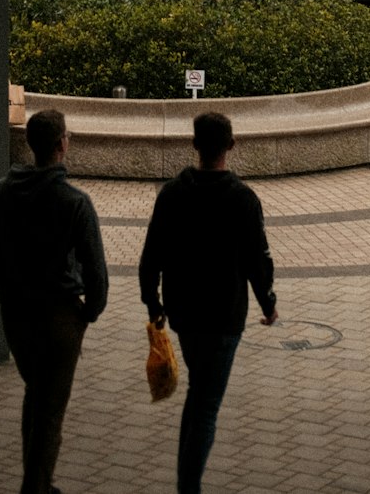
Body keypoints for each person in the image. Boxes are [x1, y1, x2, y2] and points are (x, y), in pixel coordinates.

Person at [139, 110, 278, 494]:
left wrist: (153, 303)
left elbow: (152, 254)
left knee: (200, 394)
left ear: (195, 145)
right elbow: (257, 258)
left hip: (183, 311)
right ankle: (189, 486)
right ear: (231, 145)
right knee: (205, 405)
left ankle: (187, 479)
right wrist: (268, 304)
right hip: (224, 316)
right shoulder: (242, 199)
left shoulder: (173, 193)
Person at [0, 108, 108, 494]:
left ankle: (38, 483)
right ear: (62, 143)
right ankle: (36, 487)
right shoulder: (75, 203)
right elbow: (97, 274)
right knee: (50, 412)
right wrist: (88, 315)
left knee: (36, 395)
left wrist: (8, 293)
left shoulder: (1, 193)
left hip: (16, 316)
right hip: (60, 318)